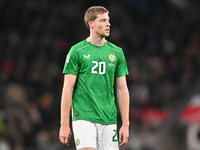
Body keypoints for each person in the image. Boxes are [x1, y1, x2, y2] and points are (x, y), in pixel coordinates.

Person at [59, 6, 130, 150]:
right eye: (103, 20)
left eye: (108, 20)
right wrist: (64, 125)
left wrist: (125, 124)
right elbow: (68, 89)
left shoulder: (117, 53)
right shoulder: (77, 51)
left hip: (109, 118)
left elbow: (122, 89)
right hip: (83, 116)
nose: (108, 24)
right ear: (91, 23)